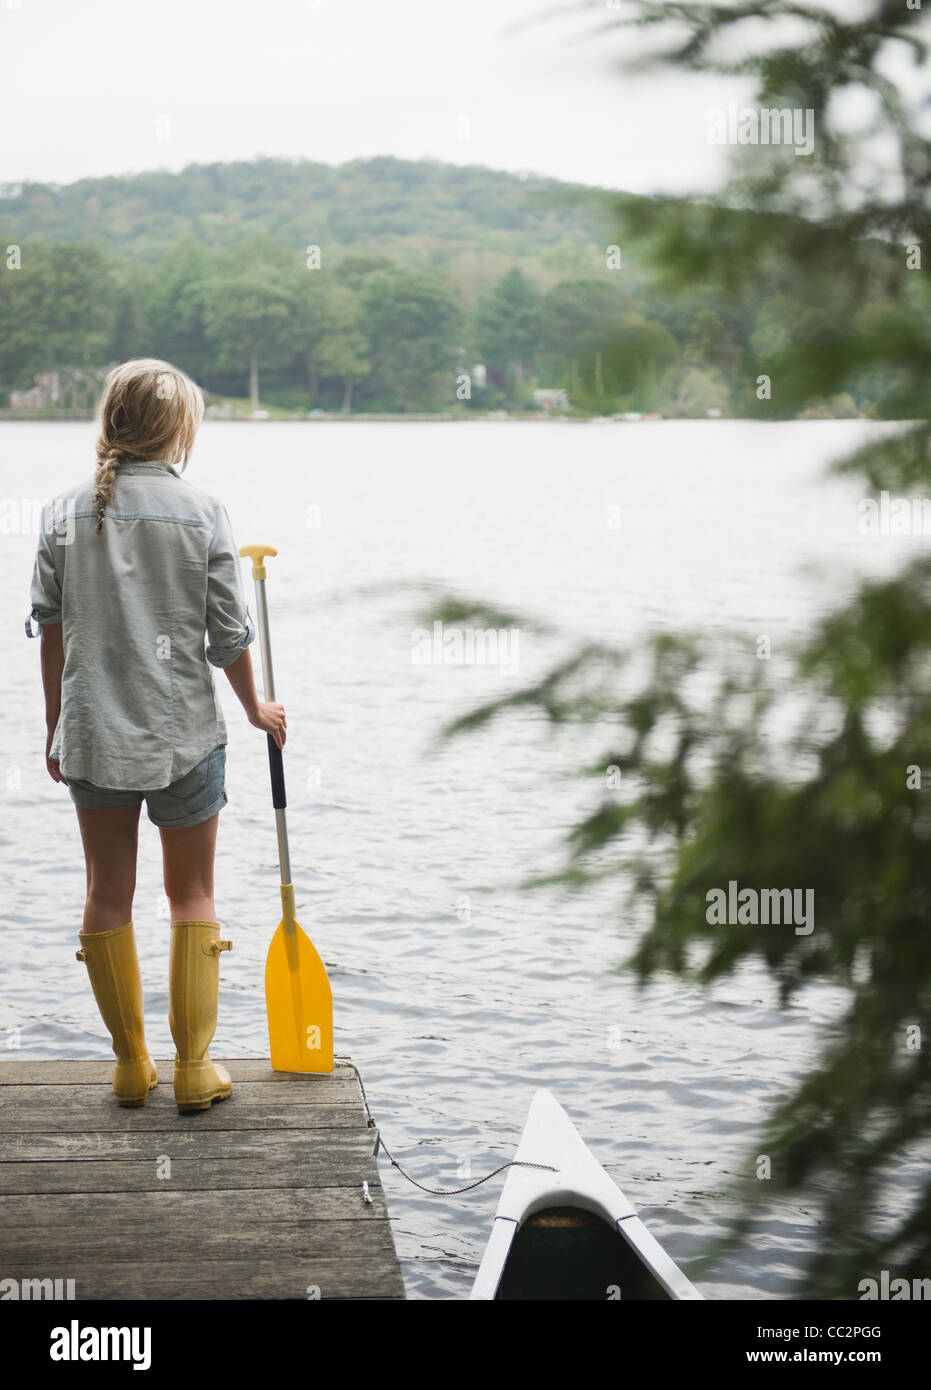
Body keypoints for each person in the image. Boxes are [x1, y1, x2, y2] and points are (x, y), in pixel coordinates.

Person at [25, 358, 286, 1113]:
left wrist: (55, 724)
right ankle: (195, 1071)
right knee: (192, 894)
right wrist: (254, 708)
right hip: (185, 740)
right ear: (178, 430)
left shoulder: (62, 514)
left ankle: (131, 1068)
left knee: (108, 895)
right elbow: (227, 636)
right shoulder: (203, 512)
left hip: (95, 737)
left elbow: (51, 630)